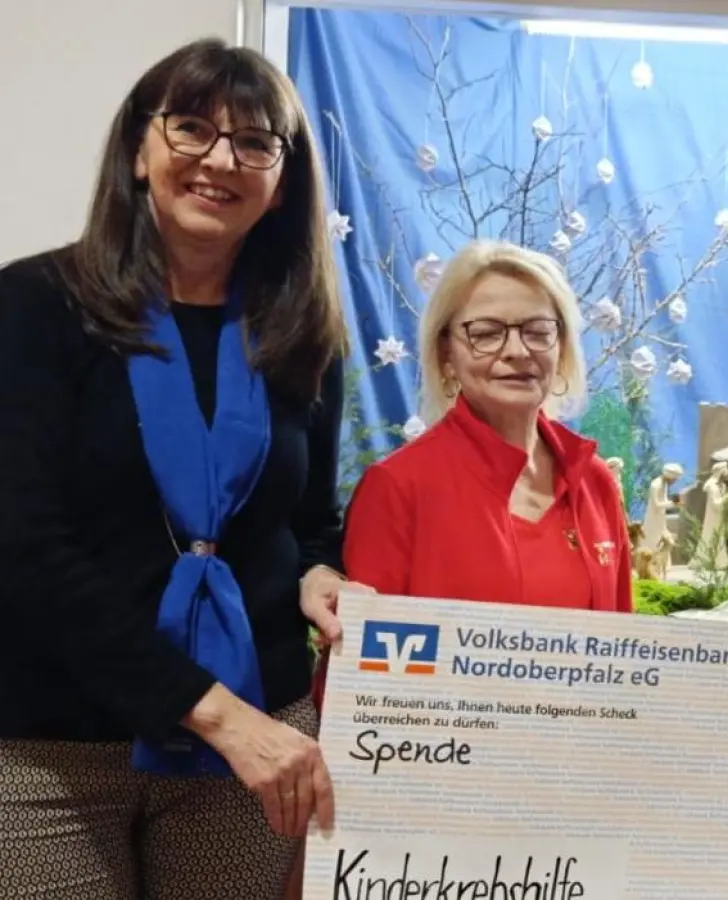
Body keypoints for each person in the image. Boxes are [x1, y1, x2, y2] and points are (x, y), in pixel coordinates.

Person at [0, 39, 357, 899]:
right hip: (54, 748)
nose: (220, 160)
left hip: (249, 754)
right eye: (191, 128)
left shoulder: (303, 334)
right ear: (139, 147)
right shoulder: (35, 307)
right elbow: (24, 550)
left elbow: (305, 520)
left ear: (283, 177)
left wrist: (321, 570)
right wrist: (216, 714)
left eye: (254, 142)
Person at [325, 238, 632, 624]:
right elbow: (366, 668)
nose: (518, 351)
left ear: (562, 348)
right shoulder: (398, 488)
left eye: (538, 331)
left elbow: (622, 657)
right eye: (486, 333)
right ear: (446, 355)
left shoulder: (594, 481)